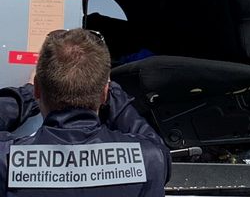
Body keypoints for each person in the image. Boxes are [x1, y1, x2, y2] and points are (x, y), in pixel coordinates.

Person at [0, 28, 171, 196]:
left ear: (38, 89)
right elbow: (156, 146)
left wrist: (26, 94)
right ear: (104, 93)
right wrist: (113, 92)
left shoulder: (8, 161)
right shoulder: (148, 159)